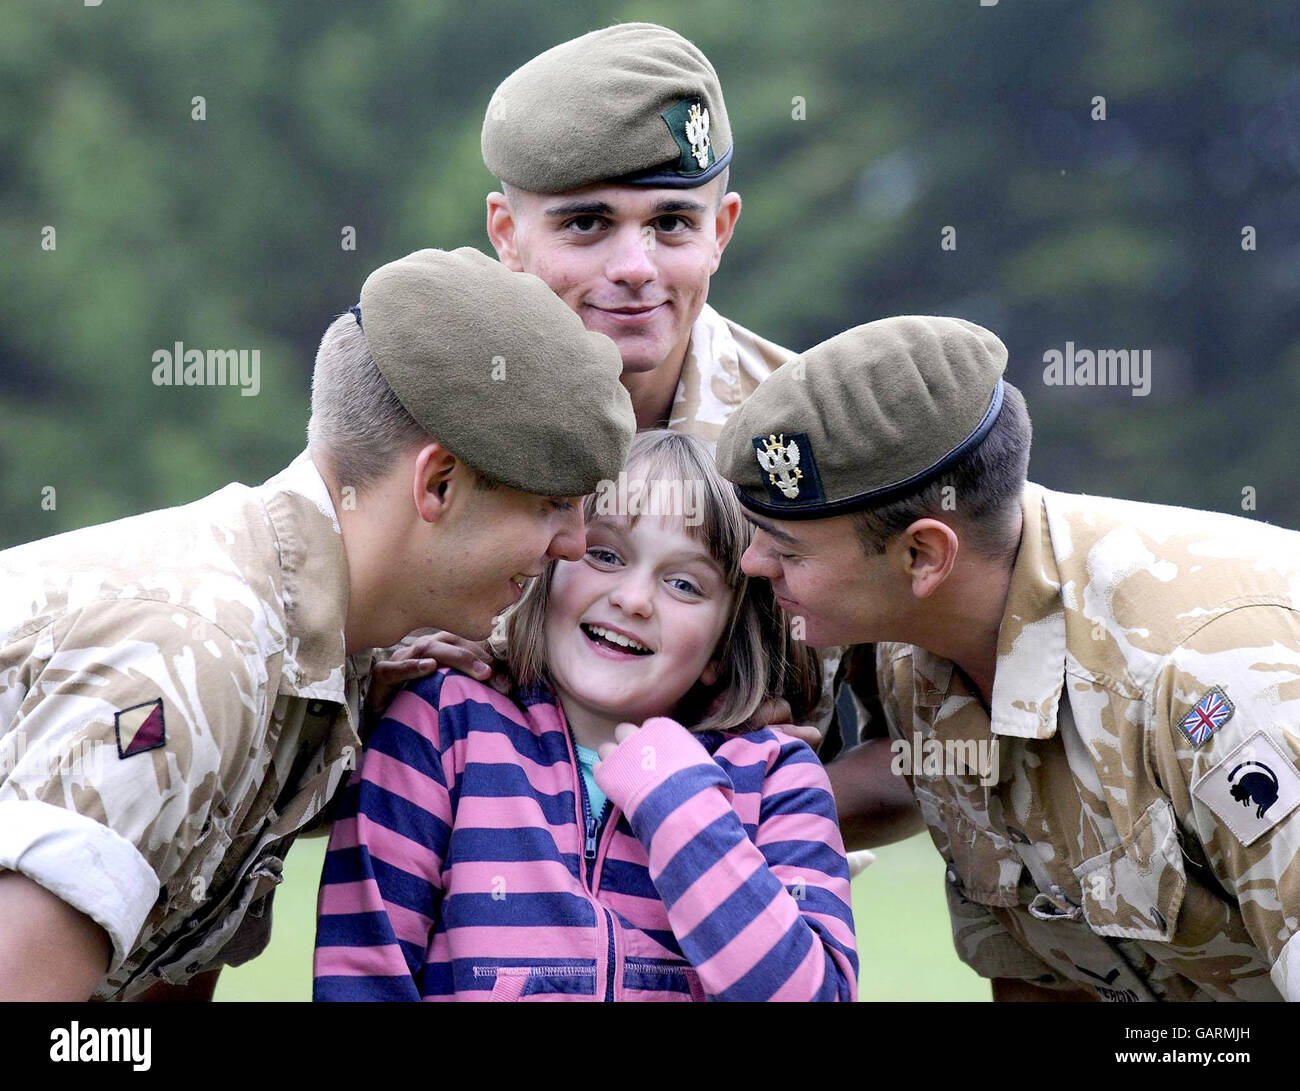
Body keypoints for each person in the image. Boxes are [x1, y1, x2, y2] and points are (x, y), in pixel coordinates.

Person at [0, 247, 634, 1001]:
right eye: (553, 504)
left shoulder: (315, 659)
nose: (571, 544)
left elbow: (148, 966)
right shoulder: (204, 653)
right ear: (437, 483)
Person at [715, 315, 1300, 1002]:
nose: (753, 565)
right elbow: (1039, 968)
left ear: (923, 556)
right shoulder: (918, 655)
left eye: (787, 552)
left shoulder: (1213, 684)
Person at [391, 21, 848, 747]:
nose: (636, 266)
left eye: (672, 222)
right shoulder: (417, 413)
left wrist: (751, 794)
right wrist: (382, 688)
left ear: (722, 231)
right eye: (587, 223)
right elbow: (307, 709)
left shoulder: (823, 437)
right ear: (506, 232)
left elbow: (925, 745)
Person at [313, 431, 858, 1001]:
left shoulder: (777, 781)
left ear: (722, 650)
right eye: (605, 555)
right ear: (542, 571)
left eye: (683, 583)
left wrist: (681, 805)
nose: (634, 598)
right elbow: (363, 974)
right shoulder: (444, 727)